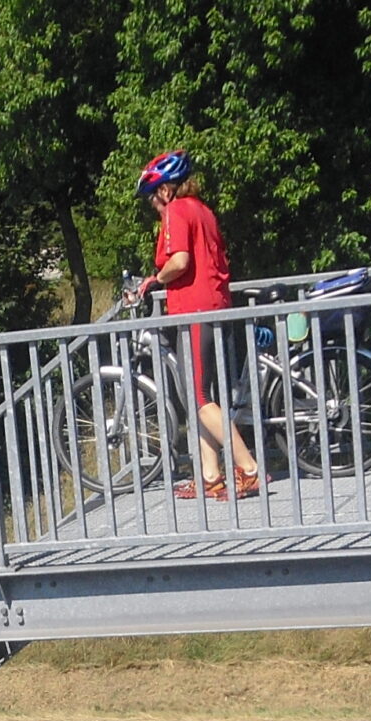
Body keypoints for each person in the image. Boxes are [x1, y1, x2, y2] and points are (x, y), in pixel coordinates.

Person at [122, 151, 260, 504]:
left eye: (154, 194)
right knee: (199, 396)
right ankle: (210, 477)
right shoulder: (203, 209)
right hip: (212, 306)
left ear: (167, 189)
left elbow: (180, 260)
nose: (153, 203)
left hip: (196, 311)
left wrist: (153, 280)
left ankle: (249, 469)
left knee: (198, 397)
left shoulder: (177, 211)